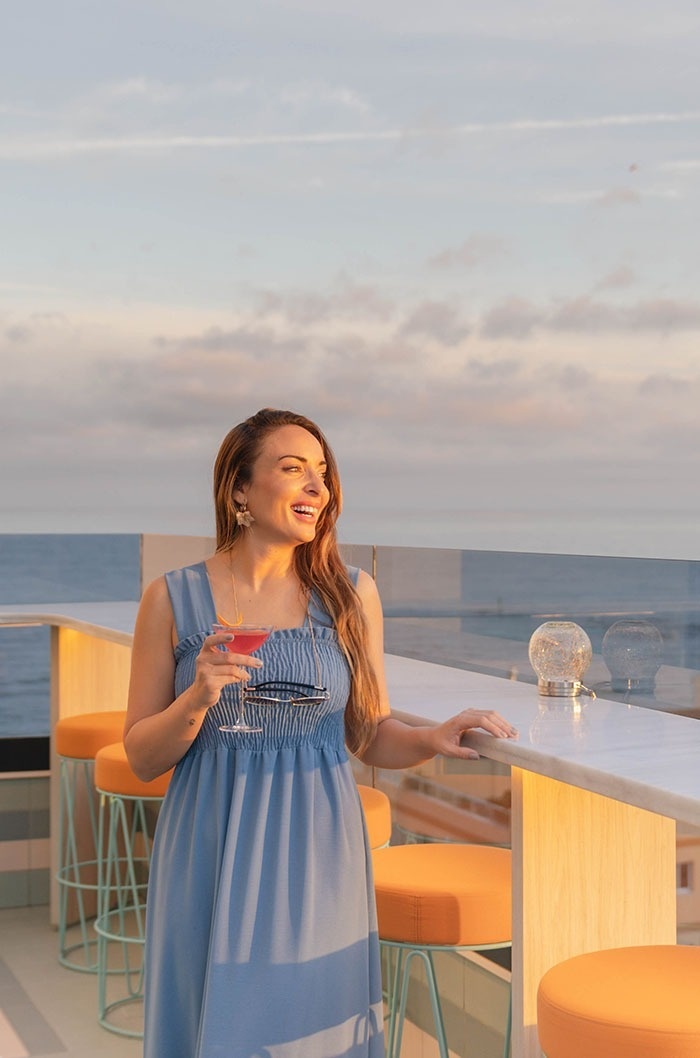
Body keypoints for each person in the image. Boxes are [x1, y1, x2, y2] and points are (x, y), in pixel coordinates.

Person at [124, 407, 518, 1058]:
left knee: (311, 1031)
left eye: (323, 473)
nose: (316, 487)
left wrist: (431, 738)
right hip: (209, 848)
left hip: (319, 851)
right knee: (213, 1028)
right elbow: (142, 756)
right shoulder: (170, 599)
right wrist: (197, 696)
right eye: (292, 469)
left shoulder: (350, 595)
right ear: (239, 491)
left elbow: (368, 734)